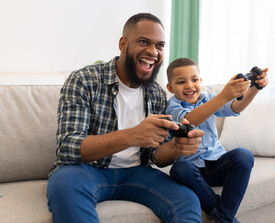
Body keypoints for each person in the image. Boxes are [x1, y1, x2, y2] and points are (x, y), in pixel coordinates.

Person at [47, 13, 204, 223]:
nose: (153, 52)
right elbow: (67, 147)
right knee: (64, 185)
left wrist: (176, 146)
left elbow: (154, 156)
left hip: (136, 173)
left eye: (160, 45)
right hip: (86, 171)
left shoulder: (156, 93)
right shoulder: (83, 80)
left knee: (188, 200)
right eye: (143, 42)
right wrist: (131, 136)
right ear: (123, 44)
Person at [165, 58, 269, 223]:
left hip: (218, 164)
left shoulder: (208, 98)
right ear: (170, 88)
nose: (189, 85)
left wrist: (255, 88)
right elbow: (190, 120)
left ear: (201, 81)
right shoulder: (173, 106)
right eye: (181, 82)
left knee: (243, 155)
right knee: (179, 169)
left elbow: (235, 107)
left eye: (194, 80)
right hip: (193, 170)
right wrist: (222, 96)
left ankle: (222, 217)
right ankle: (226, 217)